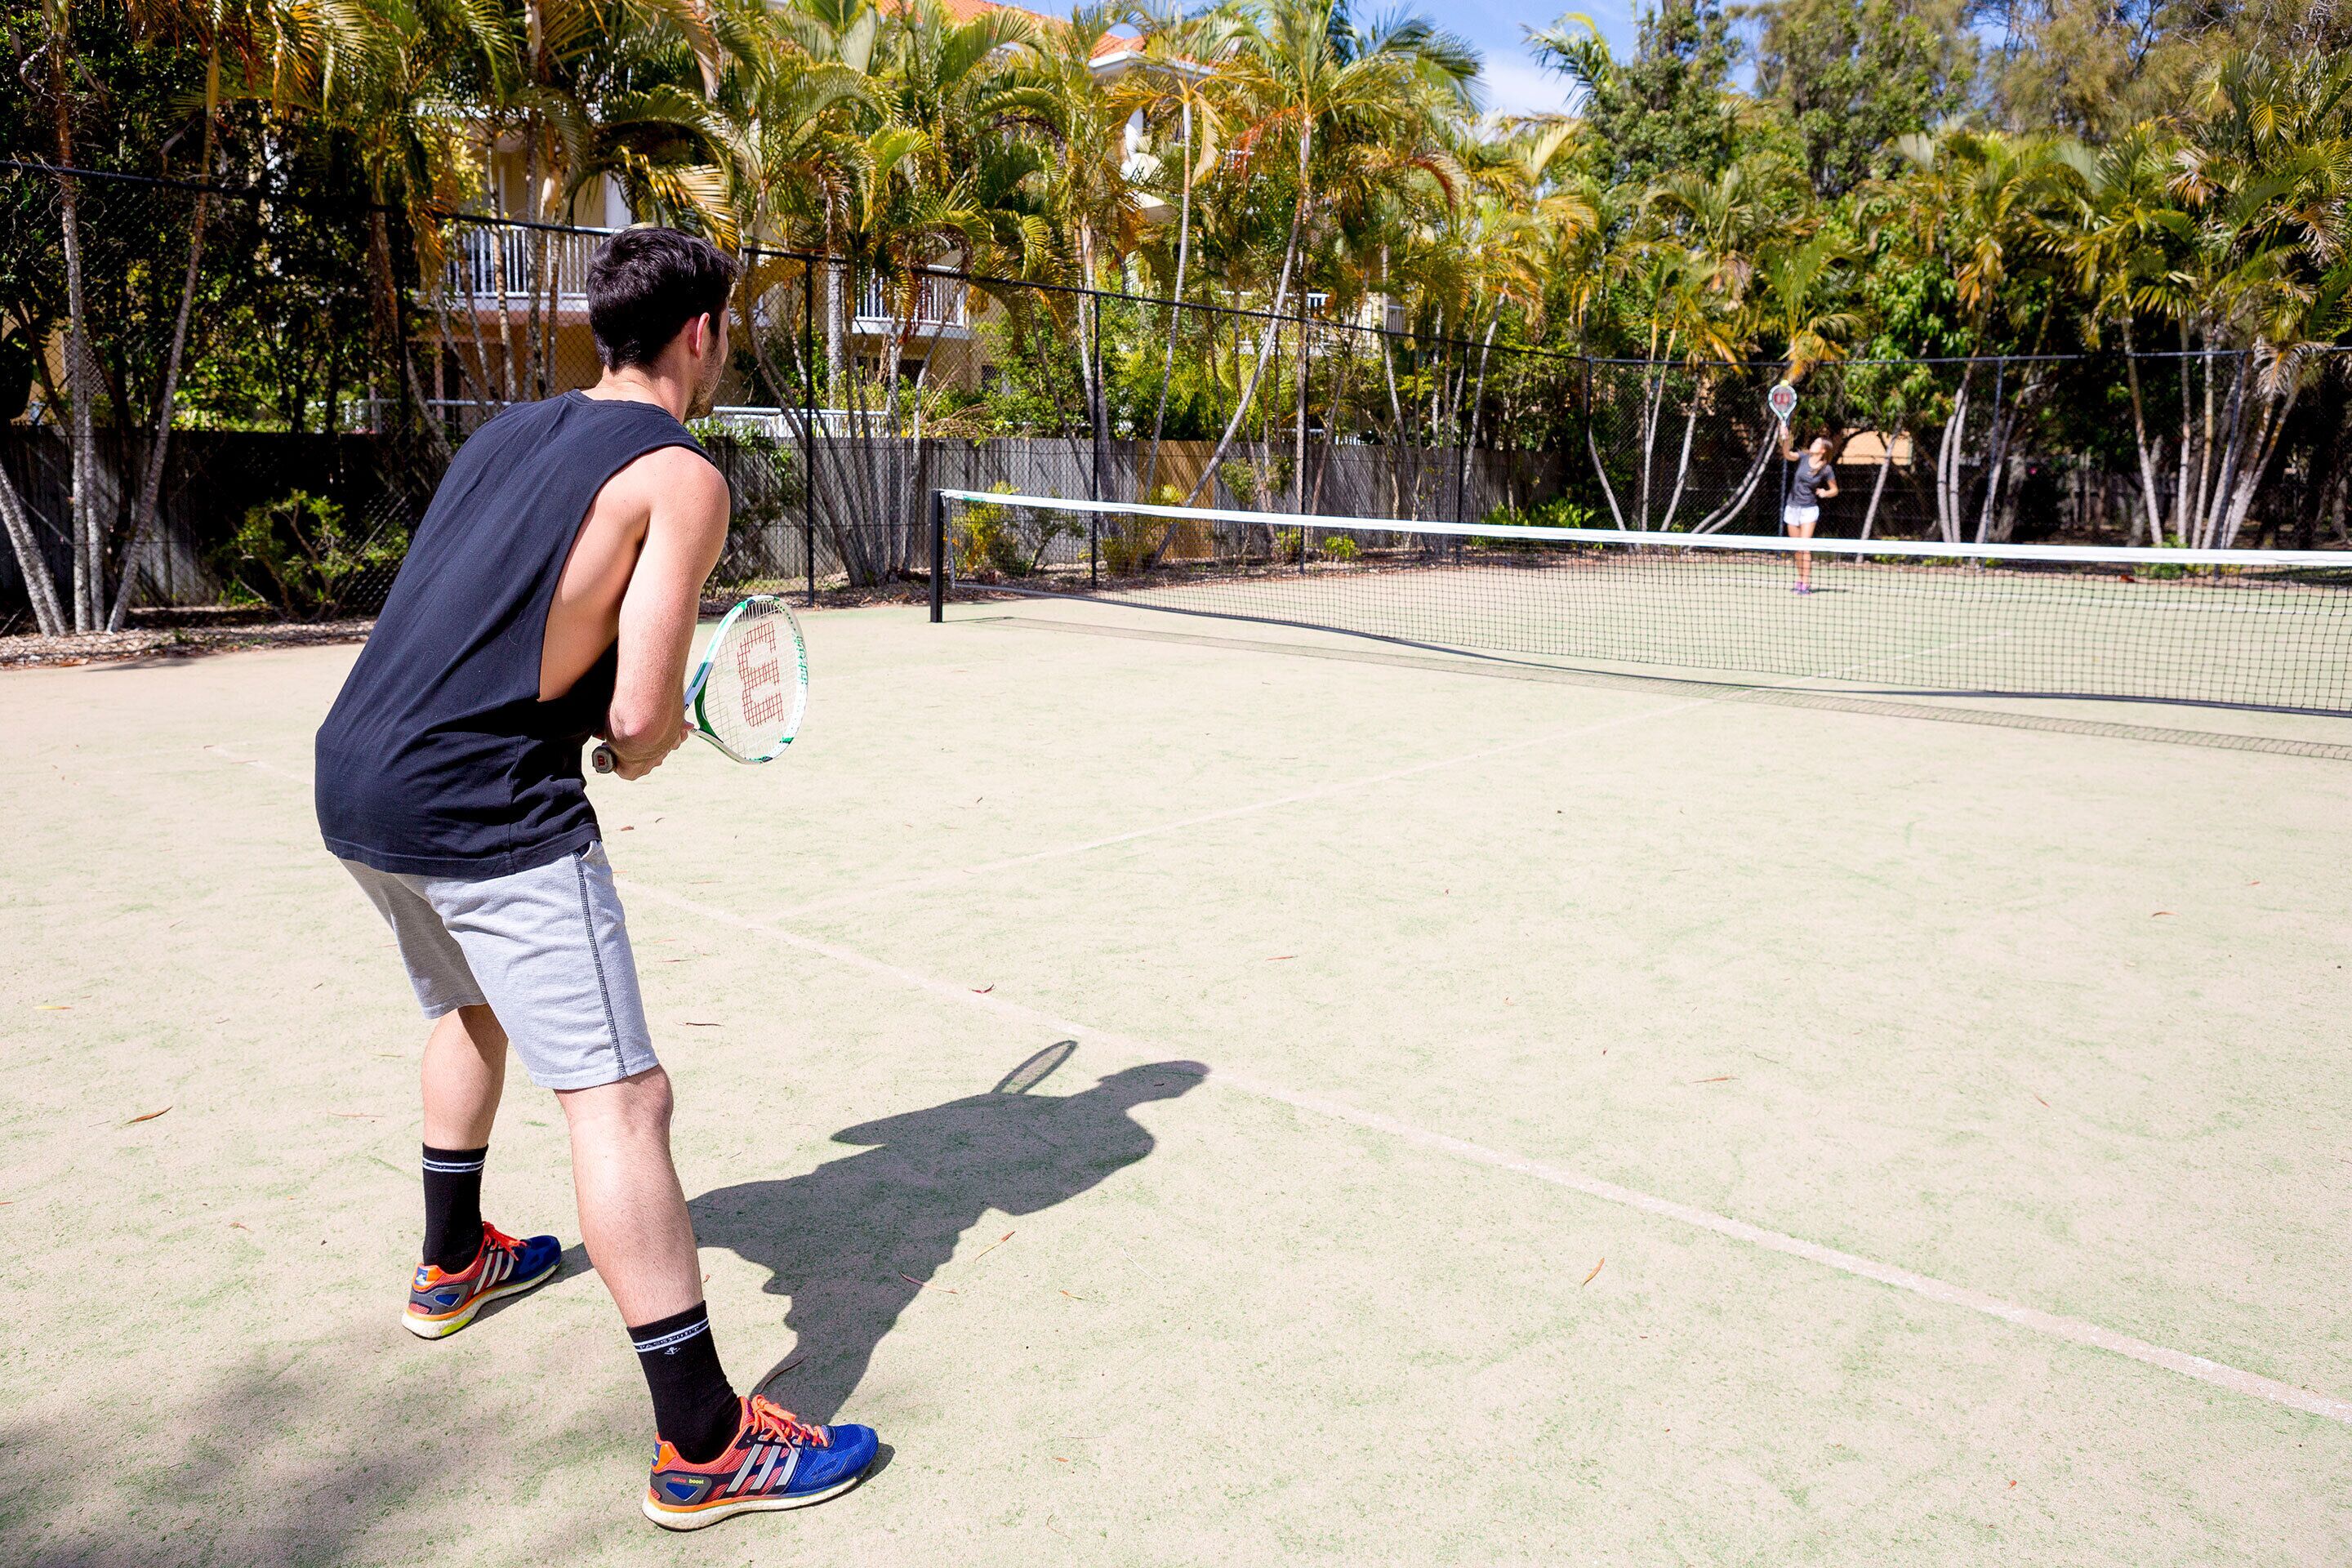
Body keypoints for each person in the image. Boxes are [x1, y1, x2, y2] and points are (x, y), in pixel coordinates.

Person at [314, 227, 879, 1531]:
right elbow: (632, 724)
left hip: (358, 774)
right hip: (483, 800)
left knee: (467, 1011)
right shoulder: (681, 474)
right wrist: (651, 738)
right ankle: (705, 1445)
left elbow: (481, 616)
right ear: (703, 335)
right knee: (624, 1100)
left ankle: (452, 1262)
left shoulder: (505, 433)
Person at [1779, 430, 1840, 594]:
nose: (1813, 443)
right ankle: (1800, 579)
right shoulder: (1804, 457)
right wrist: (1785, 439)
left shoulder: (1826, 469)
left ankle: (1806, 583)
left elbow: (1835, 490)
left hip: (1809, 510)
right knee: (1797, 548)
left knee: (1804, 546)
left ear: (1823, 450)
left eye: (1817, 443)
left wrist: (1825, 493)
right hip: (1792, 507)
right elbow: (1787, 454)